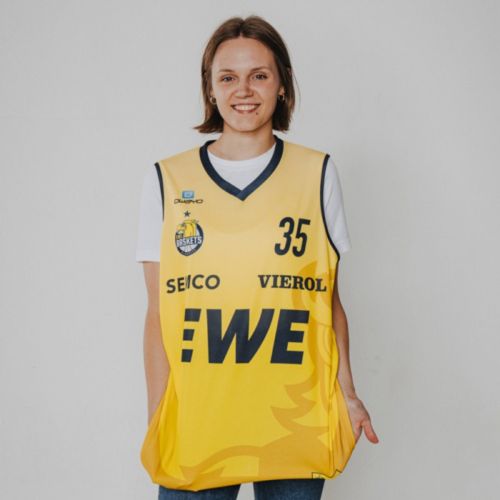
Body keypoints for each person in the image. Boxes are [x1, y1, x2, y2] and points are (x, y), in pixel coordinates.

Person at [136, 15, 379, 500]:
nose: (243, 90)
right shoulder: (168, 180)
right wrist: (159, 416)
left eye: (259, 75)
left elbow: (327, 302)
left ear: (282, 84)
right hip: (200, 420)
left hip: (293, 418)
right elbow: (159, 311)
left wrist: (348, 393)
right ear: (210, 88)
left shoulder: (317, 173)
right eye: (228, 77)